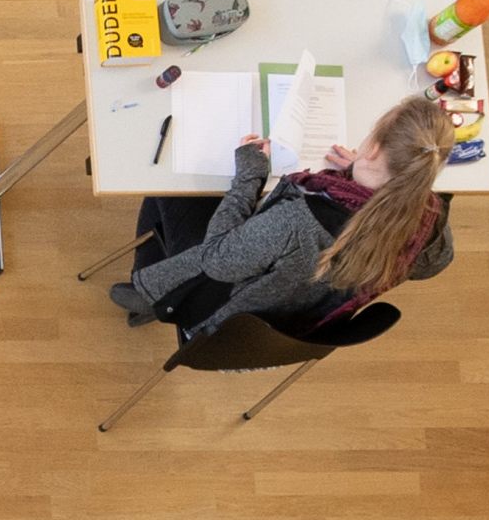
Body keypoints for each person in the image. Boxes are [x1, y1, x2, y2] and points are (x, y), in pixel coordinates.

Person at [112, 92, 454, 342]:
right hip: (295, 320)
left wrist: (250, 173)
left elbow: (217, 260)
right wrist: (362, 174)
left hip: (227, 316)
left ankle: (151, 296)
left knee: (166, 185)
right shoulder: (431, 223)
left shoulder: (298, 222)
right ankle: (151, 293)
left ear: (374, 149)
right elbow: (433, 264)